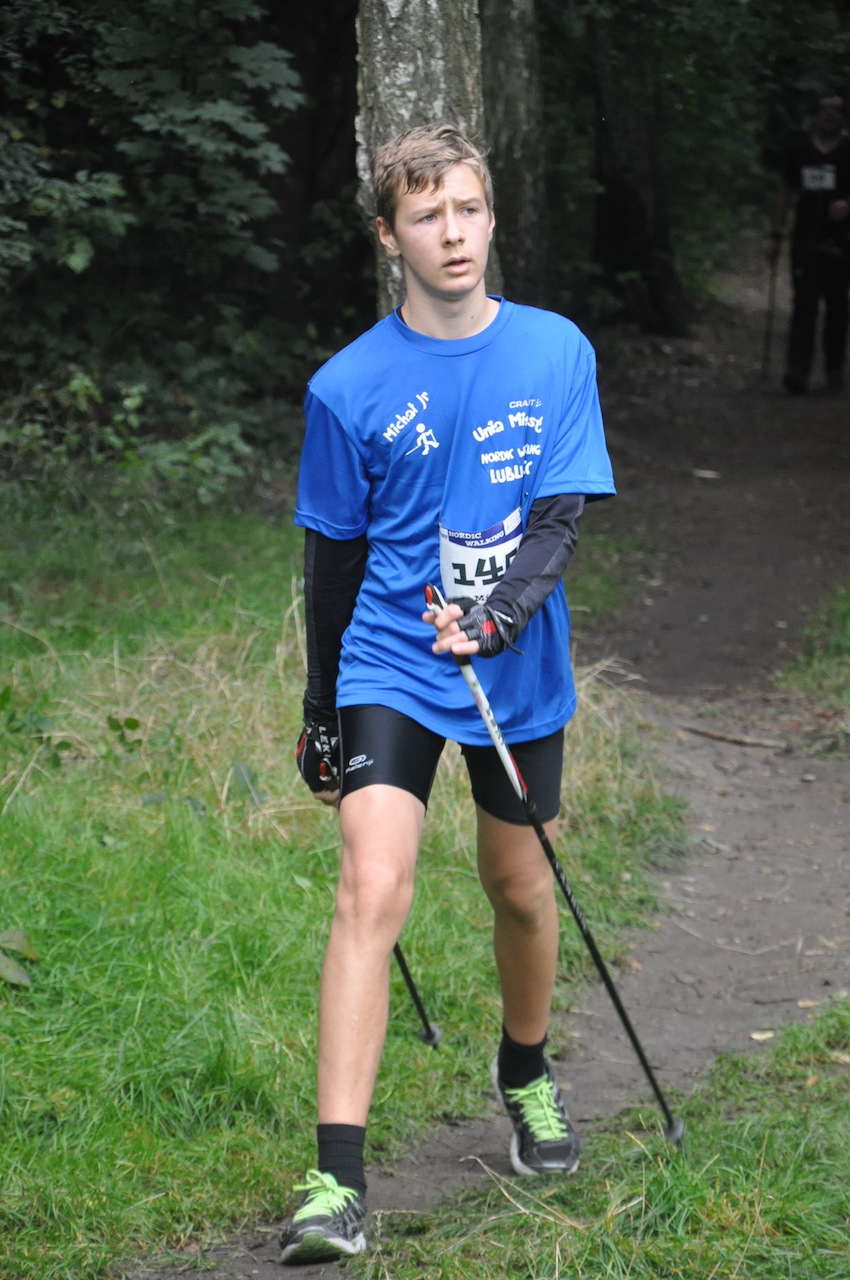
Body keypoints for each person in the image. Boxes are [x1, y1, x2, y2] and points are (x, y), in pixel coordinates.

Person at [278, 123, 616, 1266]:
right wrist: (321, 712)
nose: (453, 233)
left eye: (467, 209)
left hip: (512, 660)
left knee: (518, 885)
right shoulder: (345, 386)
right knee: (370, 884)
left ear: (490, 216)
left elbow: (559, 519)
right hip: (392, 660)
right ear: (391, 237)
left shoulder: (556, 351)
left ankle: (524, 1067)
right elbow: (331, 561)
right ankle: (336, 1180)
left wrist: (498, 616)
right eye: (427, 216)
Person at [769, 88, 850, 394]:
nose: (829, 115)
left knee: (838, 304)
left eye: (836, 110)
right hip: (806, 237)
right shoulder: (800, 151)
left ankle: (833, 368)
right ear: (815, 115)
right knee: (804, 302)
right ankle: (797, 369)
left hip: (842, 239)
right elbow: (785, 192)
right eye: (824, 109)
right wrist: (776, 234)